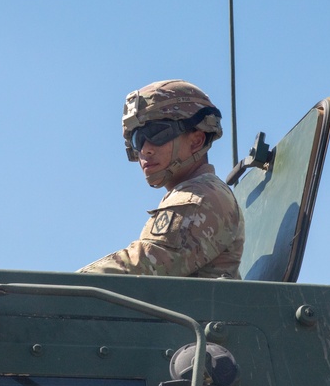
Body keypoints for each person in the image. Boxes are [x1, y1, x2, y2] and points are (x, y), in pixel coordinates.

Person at [79, 80, 244, 278]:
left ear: (196, 141)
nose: (145, 149)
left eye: (158, 133)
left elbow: (142, 266)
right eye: (137, 139)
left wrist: (61, 288)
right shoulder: (194, 193)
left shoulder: (199, 197)